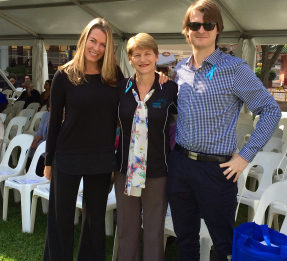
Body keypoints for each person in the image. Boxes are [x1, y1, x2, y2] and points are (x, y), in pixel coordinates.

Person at [167, 1, 282, 260]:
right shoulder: (180, 70)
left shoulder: (235, 69)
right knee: (184, 239)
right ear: (186, 31)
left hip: (216, 171)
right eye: (194, 25)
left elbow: (270, 110)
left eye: (208, 25)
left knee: (224, 245)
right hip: (181, 165)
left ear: (218, 29)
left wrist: (245, 157)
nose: (201, 30)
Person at [43, 18, 124, 261]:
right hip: (67, 156)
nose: (97, 48)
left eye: (103, 44)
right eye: (93, 41)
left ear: (108, 47)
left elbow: (135, 97)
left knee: (94, 222)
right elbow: (54, 121)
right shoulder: (64, 75)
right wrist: (49, 161)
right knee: (61, 220)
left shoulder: (114, 76)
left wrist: (158, 78)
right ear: (84, 40)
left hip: (100, 159)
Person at [115, 33, 177, 261]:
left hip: (157, 172)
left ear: (156, 56)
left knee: (153, 231)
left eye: (147, 54)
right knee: (126, 230)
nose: (143, 59)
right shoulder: (121, 88)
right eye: (137, 55)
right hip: (125, 170)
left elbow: (184, 122)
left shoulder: (170, 89)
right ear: (130, 59)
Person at [25, 100, 50, 176]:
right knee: (31, 148)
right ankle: (29, 174)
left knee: (42, 150)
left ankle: (40, 175)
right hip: (43, 141)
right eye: (49, 107)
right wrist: (35, 141)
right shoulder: (46, 115)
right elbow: (40, 132)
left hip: (52, 145)